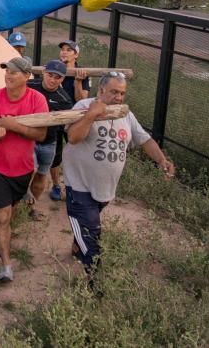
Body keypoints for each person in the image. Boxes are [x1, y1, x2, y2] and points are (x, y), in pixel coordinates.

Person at [63, 71, 174, 282]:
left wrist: (162, 160)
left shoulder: (125, 114)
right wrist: (91, 115)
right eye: (114, 92)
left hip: (106, 189)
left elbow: (144, 140)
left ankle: (78, 245)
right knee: (93, 238)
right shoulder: (83, 107)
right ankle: (96, 282)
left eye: (122, 93)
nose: (119, 97)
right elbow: (73, 138)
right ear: (101, 90)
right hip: (80, 186)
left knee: (90, 225)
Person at [0, 57, 48, 283]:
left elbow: (41, 135)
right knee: (3, 215)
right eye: (7, 70)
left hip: (23, 169)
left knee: (11, 212)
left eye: (15, 72)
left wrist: (12, 126)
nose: (9, 75)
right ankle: (6, 266)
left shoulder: (37, 100)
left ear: (27, 76)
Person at [26, 60, 73, 217]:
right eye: (50, 75)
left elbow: (68, 126)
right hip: (27, 140)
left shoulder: (64, 99)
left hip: (49, 143)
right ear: (44, 72)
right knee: (27, 172)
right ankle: (13, 203)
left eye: (57, 77)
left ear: (63, 79)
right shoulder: (29, 85)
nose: (52, 80)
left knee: (41, 175)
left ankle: (31, 209)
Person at [51, 39, 91, 201]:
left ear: (76, 54)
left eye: (69, 50)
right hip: (55, 116)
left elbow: (81, 100)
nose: (64, 52)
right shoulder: (55, 68)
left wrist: (77, 82)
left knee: (76, 153)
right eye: (62, 49)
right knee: (55, 153)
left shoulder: (83, 72)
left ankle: (76, 188)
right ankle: (56, 185)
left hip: (74, 119)